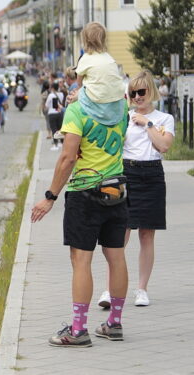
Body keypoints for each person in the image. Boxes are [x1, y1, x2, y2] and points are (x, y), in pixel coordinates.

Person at [31, 72, 129, 347]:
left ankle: (78, 330)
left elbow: (67, 158)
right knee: (117, 257)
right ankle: (114, 324)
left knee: (81, 261)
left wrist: (50, 196)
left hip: (85, 193)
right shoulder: (122, 110)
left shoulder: (76, 111)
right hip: (117, 190)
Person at [97, 70, 174, 309]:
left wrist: (148, 123)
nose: (138, 97)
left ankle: (142, 289)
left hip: (152, 174)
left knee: (146, 234)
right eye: (133, 93)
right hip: (127, 173)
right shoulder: (124, 117)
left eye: (142, 92)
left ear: (151, 90)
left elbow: (163, 146)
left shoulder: (164, 118)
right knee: (120, 233)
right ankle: (110, 290)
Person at [75, 22, 126, 128]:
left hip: (97, 103)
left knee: (72, 100)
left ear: (85, 40)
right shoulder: (110, 58)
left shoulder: (85, 58)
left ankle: (67, 128)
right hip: (115, 103)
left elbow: (79, 83)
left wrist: (77, 95)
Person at [45, 82, 65, 150]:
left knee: (54, 129)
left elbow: (47, 105)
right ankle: (62, 143)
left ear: (53, 88)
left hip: (52, 113)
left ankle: (55, 144)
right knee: (60, 128)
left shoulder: (50, 95)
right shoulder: (61, 94)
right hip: (59, 113)